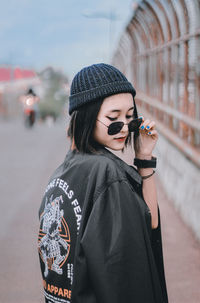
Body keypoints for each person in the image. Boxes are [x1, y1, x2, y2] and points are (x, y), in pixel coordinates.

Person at [38, 63, 168, 303]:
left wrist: (144, 159)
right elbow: (126, 271)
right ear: (87, 116)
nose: (125, 128)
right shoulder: (107, 174)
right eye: (113, 118)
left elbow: (143, 223)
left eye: (130, 117)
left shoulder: (62, 172)